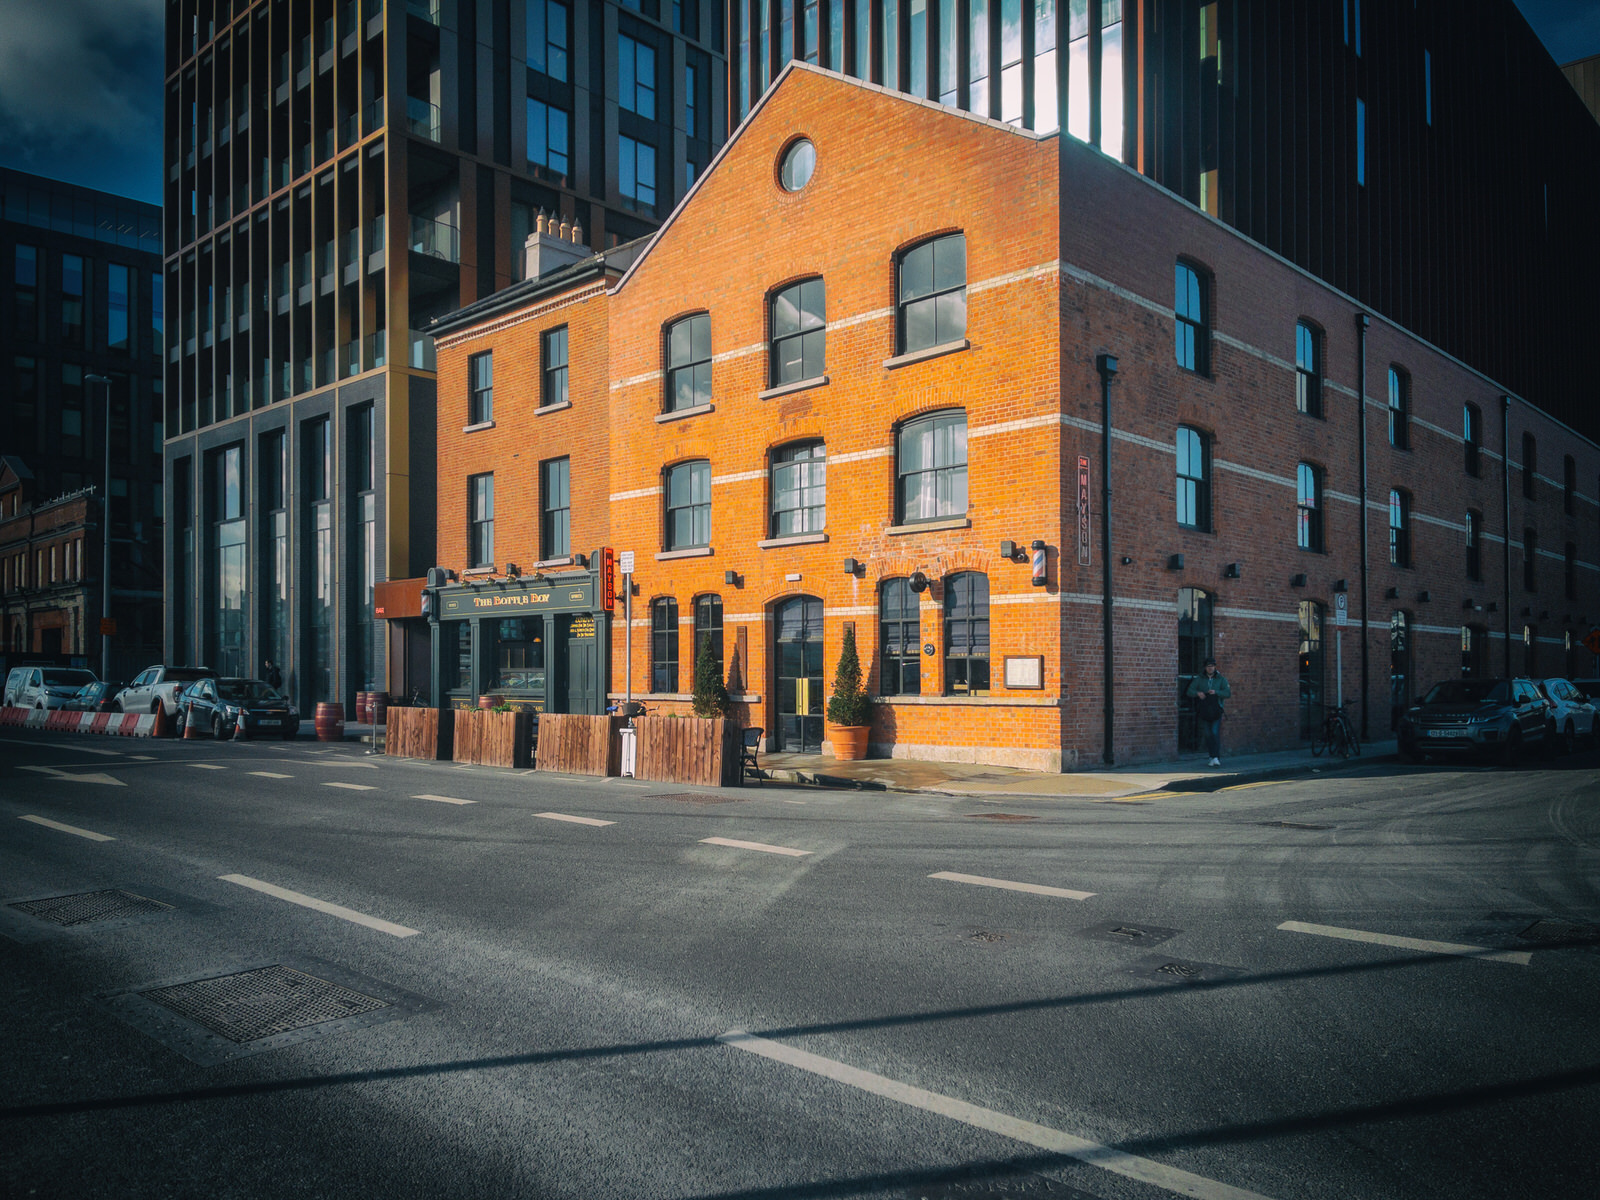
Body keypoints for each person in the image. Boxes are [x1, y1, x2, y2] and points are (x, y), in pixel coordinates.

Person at [1186, 657, 1232, 767]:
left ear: (1215, 667)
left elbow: (1227, 693)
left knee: (1214, 732)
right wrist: (1198, 693)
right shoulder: (1199, 679)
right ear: (1205, 667)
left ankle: (1215, 756)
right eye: (1208, 666)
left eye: (1212, 666)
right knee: (1207, 734)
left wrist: (1216, 692)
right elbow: (1189, 691)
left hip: (1216, 710)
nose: (1210, 668)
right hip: (1205, 710)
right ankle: (1211, 756)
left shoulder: (1221, 679)